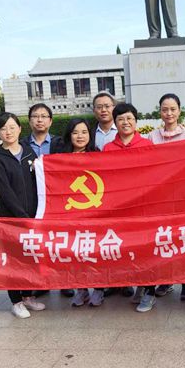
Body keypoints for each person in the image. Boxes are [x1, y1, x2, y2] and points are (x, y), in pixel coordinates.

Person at [0, 113, 46, 319]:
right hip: (11, 217)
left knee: (30, 256)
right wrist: (21, 215)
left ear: (20, 129)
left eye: (12, 127)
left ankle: (28, 296)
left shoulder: (28, 151)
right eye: (3, 128)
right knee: (13, 259)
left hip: (32, 214)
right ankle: (16, 301)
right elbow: (5, 191)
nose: (8, 132)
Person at [104, 103, 157, 312]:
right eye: (120, 119)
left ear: (136, 121)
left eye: (129, 119)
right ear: (115, 123)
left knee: (147, 250)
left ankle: (150, 292)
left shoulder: (146, 145)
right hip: (120, 208)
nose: (125, 123)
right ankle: (138, 285)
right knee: (127, 250)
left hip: (143, 208)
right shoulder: (108, 148)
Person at [149, 93, 185, 300]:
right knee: (164, 238)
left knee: (183, 237)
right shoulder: (152, 137)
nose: (169, 113)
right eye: (165, 109)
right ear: (160, 112)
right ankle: (166, 280)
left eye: (173, 109)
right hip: (160, 196)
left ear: (179, 111)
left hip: (182, 196)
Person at [22, 103, 69, 298]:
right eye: (35, 116)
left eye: (43, 116)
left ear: (50, 121)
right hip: (32, 199)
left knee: (60, 241)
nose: (39, 120)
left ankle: (65, 282)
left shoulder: (60, 143)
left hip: (58, 200)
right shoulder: (22, 145)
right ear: (29, 121)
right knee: (38, 243)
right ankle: (42, 282)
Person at [61, 119, 105, 308]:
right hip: (71, 214)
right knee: (75, 252)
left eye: (84, 132)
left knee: (95, 252)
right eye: (75, 132)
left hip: (95, 214)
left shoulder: (98, 156)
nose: (80, 136)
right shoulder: (60, 159)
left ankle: (99, 289)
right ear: (69, 135)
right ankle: (81, 289)